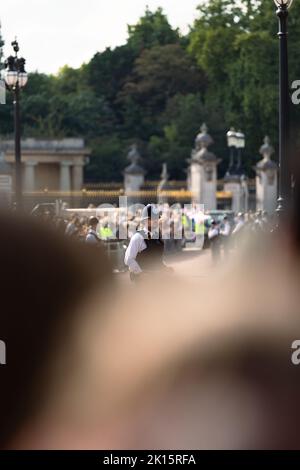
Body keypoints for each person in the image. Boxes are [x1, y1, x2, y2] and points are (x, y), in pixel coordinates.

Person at [124, 204, 171, 281]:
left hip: (156, 281)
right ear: (146, 220)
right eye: (154, 218)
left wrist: (164, 267)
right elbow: (128, 259)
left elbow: (156, 258)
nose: (157, 220)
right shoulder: (138, 237)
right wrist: (140, 273)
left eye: (157, 218)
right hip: (142, 282)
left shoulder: (157, 237)